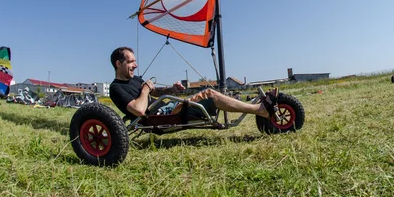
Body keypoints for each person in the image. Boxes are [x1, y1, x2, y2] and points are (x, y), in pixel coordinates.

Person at [109, 47, 277, 121]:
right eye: (131, 62)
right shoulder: (116, 88)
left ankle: (258, 107)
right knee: (209, 93)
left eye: (135, 61)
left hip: (168, 107)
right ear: (119, 63)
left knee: (208, 94)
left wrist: (171, 89)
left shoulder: (135, 79)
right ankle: (259, 110)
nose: (136, 65)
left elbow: (155, 93)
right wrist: (145, 89)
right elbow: (138, 109)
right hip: (160, 116)